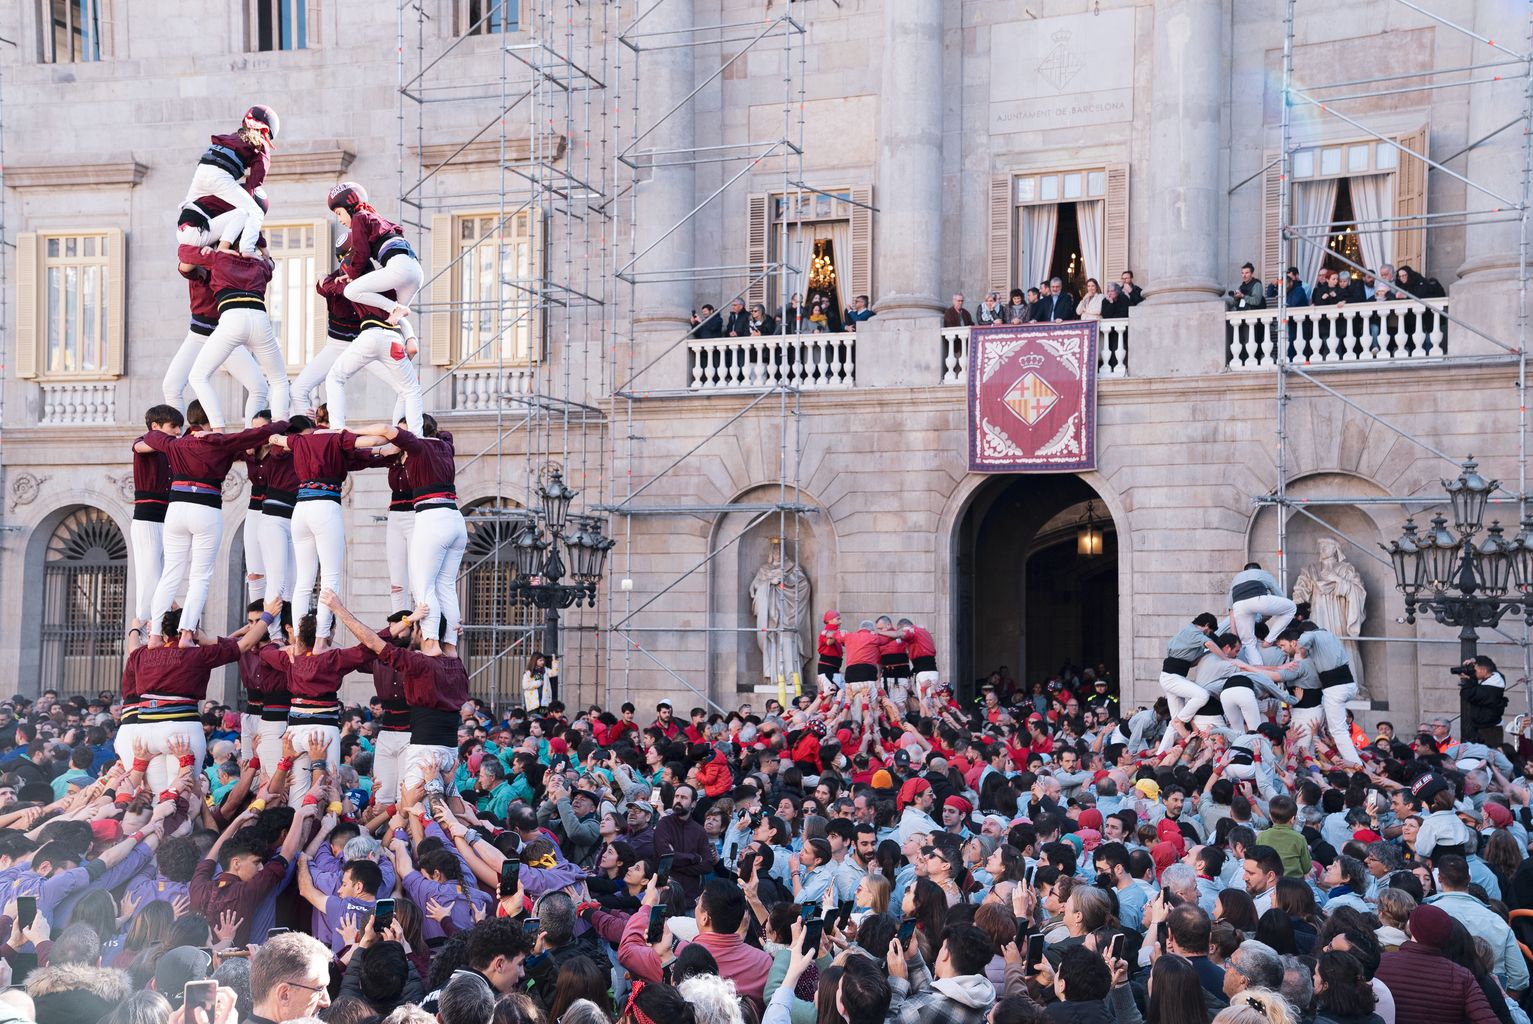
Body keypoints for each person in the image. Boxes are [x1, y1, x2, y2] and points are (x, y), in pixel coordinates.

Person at [138, 405, 286, 646]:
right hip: (206, 508)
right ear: (212, 420)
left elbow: (150, 437)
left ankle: (154, 635)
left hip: (176, 509)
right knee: (200, 577)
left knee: (170, 574)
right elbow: (258, 435)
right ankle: (186, 634)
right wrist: (282, 423)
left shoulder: (175, 443)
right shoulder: (220, 442)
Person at [357, 417, 468, 654]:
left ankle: (430, 641)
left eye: (404, 433)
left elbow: (387, 430)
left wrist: (348, 430)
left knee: (423, 587)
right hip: (455, 518)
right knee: (445, 585)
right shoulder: (445, 445)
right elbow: (445, 434)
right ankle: (450, 644)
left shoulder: (417, 447)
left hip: (432, 518)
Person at [178, 104, 277, 255]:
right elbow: (257, 178)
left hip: (202, 171)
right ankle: (247, 249)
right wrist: (262, 245)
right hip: (220, 176)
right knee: (254, 212)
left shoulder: (233, 136)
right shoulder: (261, 144)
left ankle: (192, 244)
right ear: (267, 132)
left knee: (191, 206)